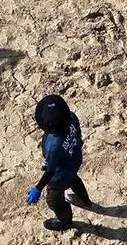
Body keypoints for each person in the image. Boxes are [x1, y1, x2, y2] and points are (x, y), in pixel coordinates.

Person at [26, 94, 91, 232]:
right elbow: (78, 136)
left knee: (54, 199)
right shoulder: (72, 118)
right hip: (74, 160)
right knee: (74, 178)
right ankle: (85, 200)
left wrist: (38, 188)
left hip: (59, 176)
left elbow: (50, 172)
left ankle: (64, 221)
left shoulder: (54, 147)